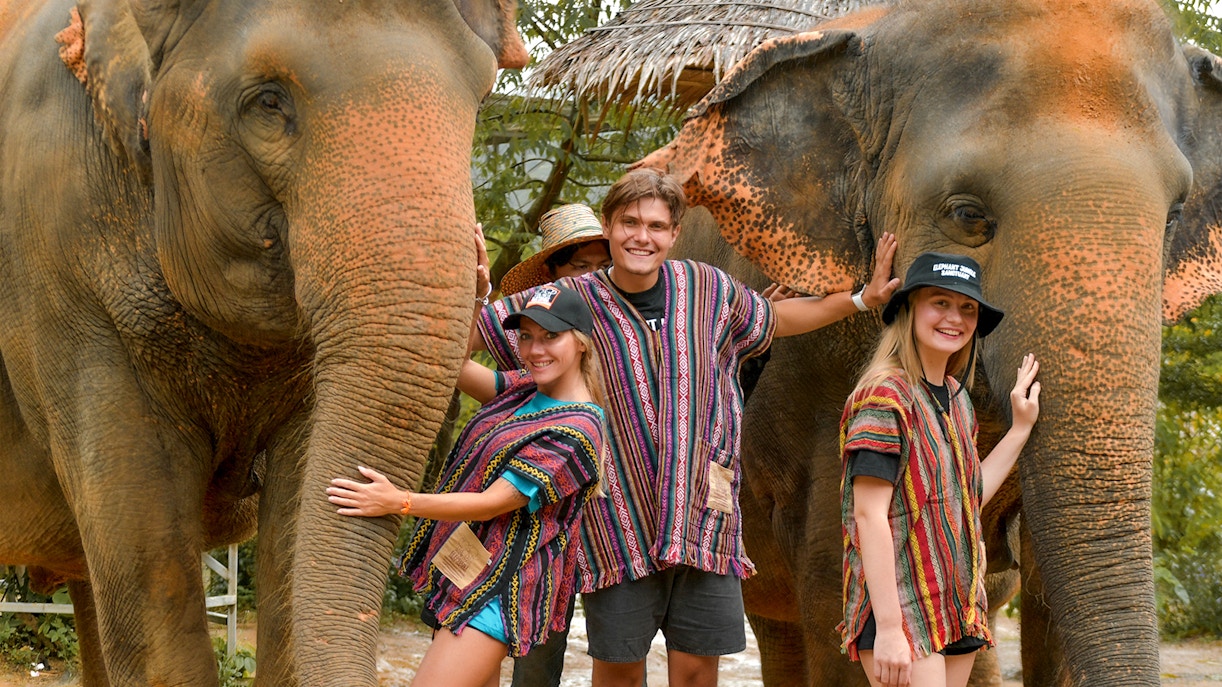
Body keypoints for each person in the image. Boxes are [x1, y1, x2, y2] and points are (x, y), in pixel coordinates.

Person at [474, 167, 901, 687]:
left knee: (698, 673)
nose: (641, 236)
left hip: (705, 518)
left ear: (674, 234)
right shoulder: (569, 300)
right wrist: (474, 291)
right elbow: (476, 336)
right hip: (616, 524)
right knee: (620, 675)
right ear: (608, 228)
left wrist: (863, 300)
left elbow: (777, 319)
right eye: (629, 222)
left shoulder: (708, 287)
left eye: (656, 226)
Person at [327, 280, 607, 687]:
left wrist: (397, 501)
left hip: (499, 588)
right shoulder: (525, 389)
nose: (535, 350)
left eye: (551, 336)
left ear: (581, 342)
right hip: (469, 573)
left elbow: (490, 504)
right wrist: (477, 297)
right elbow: (453, 364)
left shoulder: (577, 429)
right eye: (526, 337)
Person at [837, 252, 1041, 687]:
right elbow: (868, 515)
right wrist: (891, 629)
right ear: (908, 310)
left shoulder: (955, 398)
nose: (955, 318)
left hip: (956, 603)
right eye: (940, 303)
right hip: (904, 610)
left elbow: (966, 496)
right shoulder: (884, 398)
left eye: (967, 307)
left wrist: (1019, 430)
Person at [499, 203, 612, 295]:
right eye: (582, 267)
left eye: (604, 267)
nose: (595, 276)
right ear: (548, 274)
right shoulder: (535, 321)